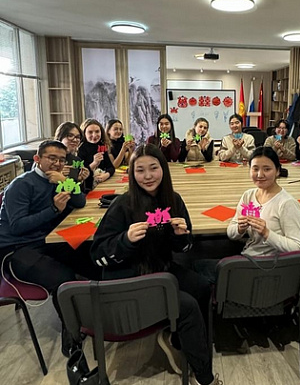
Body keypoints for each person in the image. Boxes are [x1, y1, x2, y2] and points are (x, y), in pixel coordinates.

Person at [90, 144, 220, 385]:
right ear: (132, 173)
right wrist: (125, 240)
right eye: (140, 170)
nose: (148, 176)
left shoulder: (173, 200)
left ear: (164, 169)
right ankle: (204, 377)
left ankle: (182, 341)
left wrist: (181, 237)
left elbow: (185, 247)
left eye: (153, 168)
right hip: (129, 280)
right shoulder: (122, 205)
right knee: (187, 306)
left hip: (160, 270)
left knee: (201, 287)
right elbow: (97, 254)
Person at [0, 140, 99, 356]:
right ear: (37, 159)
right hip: (17, 249)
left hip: (48, 241)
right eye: (52, 158)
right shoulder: (21, 185)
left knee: (92, 256)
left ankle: (103, 314)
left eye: (61, 160)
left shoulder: (56, 180)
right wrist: (53, 209)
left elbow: (80, 202)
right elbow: (17, 226)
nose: (57, 163)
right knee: (64, 278)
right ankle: (71, 339)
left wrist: (65, 181)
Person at [227, 146, 300, 256]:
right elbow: (230, 233)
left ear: (277, 171)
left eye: (267, 169)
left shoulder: (287, 203)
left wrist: (266, 233)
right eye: (255, 169)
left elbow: (297, 247)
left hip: (271, 262)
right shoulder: (248, 196)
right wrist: (239, 229)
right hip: (248, 256)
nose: (260, 175)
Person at [78, 118, 115, 191]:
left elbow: (111, 167)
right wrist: (94, 163)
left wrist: (106, 175)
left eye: (97, 131)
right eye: (90, 132)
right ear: (84, 133)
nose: (94, 135)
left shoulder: (101, 145)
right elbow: (80, 174)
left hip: (101, 184)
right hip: (87, 188)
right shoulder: (80, 149)